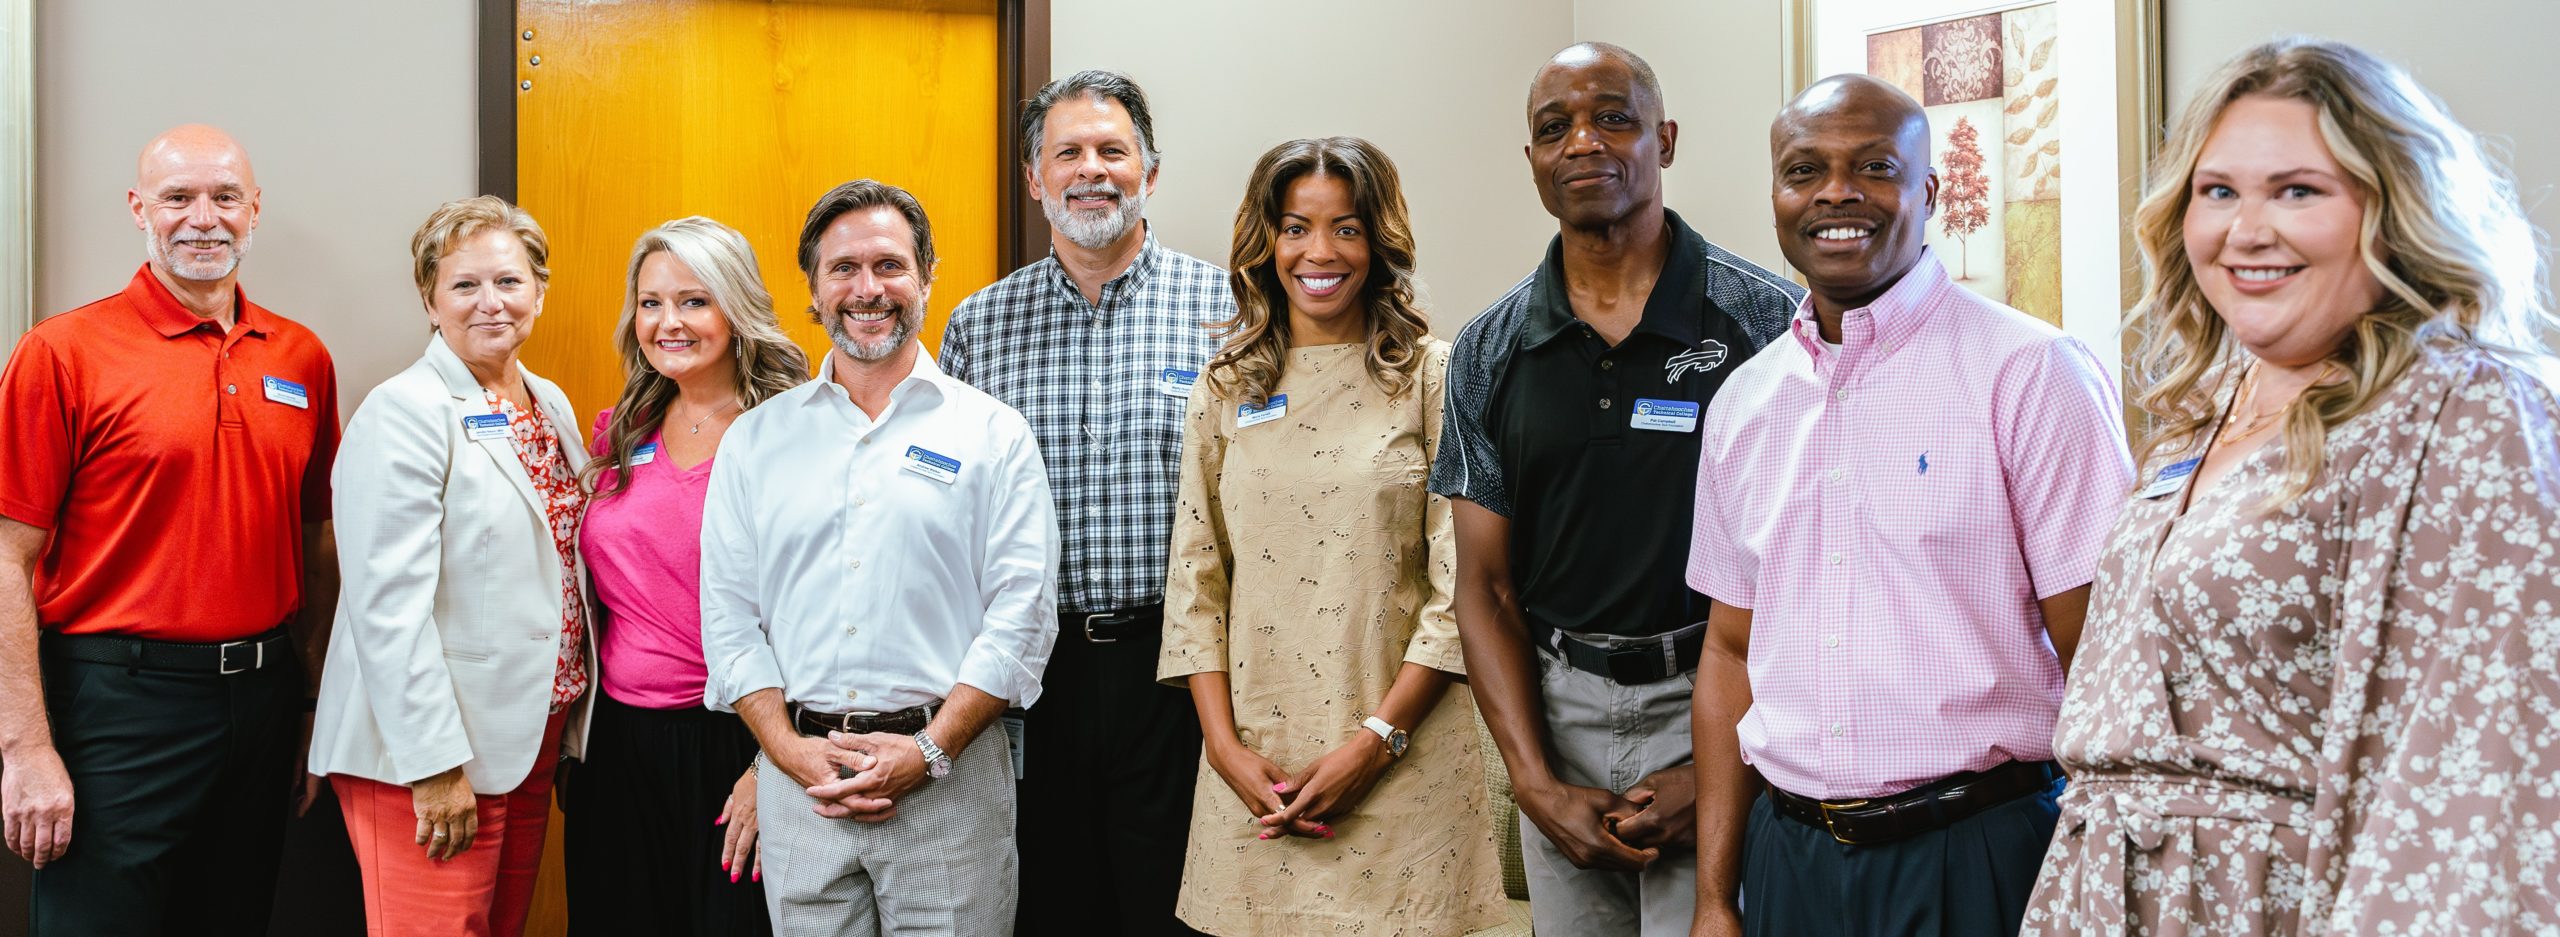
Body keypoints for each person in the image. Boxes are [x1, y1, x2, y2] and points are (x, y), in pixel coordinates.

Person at [2021, 38, 2560, 935]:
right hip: (2102, 892)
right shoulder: (2204, 410)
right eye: (2218, 190)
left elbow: (2477, 760)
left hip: (2281, 902)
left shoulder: (2463, 408)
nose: (2246, 230)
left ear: (2392, 209)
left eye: (2298, 190)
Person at [1683, 73, 2134, 937]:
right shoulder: (1743, 401)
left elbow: (2104, 658)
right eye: (1804, 170)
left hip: (1979, 852)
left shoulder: (2031, 374)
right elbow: (1730, 650)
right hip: (1789, 859)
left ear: (1929, 192)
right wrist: (1714, 894)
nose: (1836, 194)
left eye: (1875, 167)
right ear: (1776, 196)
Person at [1429, 43, 1801, 936]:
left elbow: (1818, 570)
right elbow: (1480, 588)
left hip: (1724, 696)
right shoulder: (1488, 349)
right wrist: (1536, 785)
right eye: (1555, 128)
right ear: (1532, 164)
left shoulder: (1769, 324)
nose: (1583, 141)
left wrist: (1727, 763)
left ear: (1663, 140)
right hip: (1561, 711)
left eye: (1614, 118)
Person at [1157, 136, 1505, 936]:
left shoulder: (1433, 376)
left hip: (1403, 765)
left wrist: (1375, 743)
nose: (1320, 252)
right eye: (1294, 227)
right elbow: (1196, 580)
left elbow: (1463, 590)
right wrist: (1223, 749)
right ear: (1264, 243)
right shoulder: (1225, 388)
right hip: (1257, 773)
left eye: (1346, 228)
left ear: (1379, 244)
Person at [0, 124, 339, 936]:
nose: (203, 218)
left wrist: (306, 705)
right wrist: (24, 748)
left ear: (254, 210)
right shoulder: (63, 352)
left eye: (225, 197)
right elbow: (7, 557)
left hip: (260, 700)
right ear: (137, 208)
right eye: (177, 197)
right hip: (115, 702)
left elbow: (315, 541)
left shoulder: (301, 358)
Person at [701, 179, 1057, 936]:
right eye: (844, 268)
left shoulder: (992, 434)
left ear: (927, 277)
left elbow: (1021, 614)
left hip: (950, 783)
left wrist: (929, 748)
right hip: (803, 785)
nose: (869, 289)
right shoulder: (757, 442)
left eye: (891, 266)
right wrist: (787, 752)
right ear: (814, 290)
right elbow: (729, 617)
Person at [937, 68, 1228, 936]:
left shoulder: (1229, 308)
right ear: (1035, 177)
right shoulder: (978, 325)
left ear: (1151, 168)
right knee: (1049, 902)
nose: (1090, 169)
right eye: (1067, 152)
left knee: (1173, 905)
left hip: (1179, 666)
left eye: (1113, 149)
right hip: (1032, 674)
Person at [308, 195, 595, 937]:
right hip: (430, 754)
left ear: (540, 290)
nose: (489, 302)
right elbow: (386, 607)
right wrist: (434, 765)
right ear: (431, 302)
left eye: (509, 281)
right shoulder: (403, 410)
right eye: (464, 285)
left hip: (527, 739)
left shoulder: (548, 402)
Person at [561, 216, 809, 936]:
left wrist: (773, 762)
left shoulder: (788, 430)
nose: (668, 321)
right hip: (617, 745)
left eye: (694, 300)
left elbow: (818, 606)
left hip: (735, 739)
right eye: (651, 302)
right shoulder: (623, 428)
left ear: (736, 308)